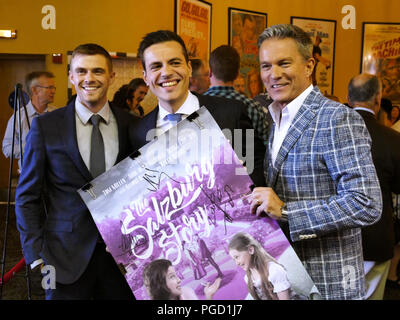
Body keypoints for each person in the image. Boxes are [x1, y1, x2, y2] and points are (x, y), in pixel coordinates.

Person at [251, 24, 382, 300]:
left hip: (330, 285)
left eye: (283, 63)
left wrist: (287, 212)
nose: (273, 74)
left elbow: (366, 202)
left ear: (309, 65)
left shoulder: (337, 118)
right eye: (265, 66)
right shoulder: (276, 117)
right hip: (291, 282)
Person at [15, 43, 136, 300]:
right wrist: (34, 254)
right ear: (71, 76)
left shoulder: (132, 125)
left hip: (123, 262)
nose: (89, 78)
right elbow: (27, 197)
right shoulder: (46, 127)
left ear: (111, 76)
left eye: (98, 71)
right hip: (63, 260)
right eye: (81, 71)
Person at [130, 30, 266, 187]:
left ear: (189, 68)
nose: (166, 72)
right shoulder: (137, 133)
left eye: (174, 63)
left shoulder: (231, 113)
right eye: (156, 66)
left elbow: (256, 168)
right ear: (145, 77)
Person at [347, 73, 400, 299]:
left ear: (349, 99)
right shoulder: (392, 139)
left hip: (338, 237)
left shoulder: (329, 134)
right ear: (378, 99)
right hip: (377, 237)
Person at [204, 45, 270, 146]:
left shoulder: (196, 105)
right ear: (237, 73)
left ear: (210, 72)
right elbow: (267, 146)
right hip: (246, 160)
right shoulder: (252, 106)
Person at [2, 71, 56, 170]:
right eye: (49, 88)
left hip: (56, 175)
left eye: (54, 88)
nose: (53, 91)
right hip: (29, 175)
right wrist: (31, 146)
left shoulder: (58, 114)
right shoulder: (18, 117)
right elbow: (7, 149)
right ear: (35, 90)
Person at [228, 232, 291, 300]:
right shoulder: (248, 279)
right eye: (234, 260)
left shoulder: (273, 270)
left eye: (237, 257)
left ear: (250, 250)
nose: (237, 263)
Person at [143, 259, 221, 300]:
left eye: (176, 275)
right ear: (158, 283)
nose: (179, 280)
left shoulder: (187, 292)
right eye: (172, 276)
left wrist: (209, 295)